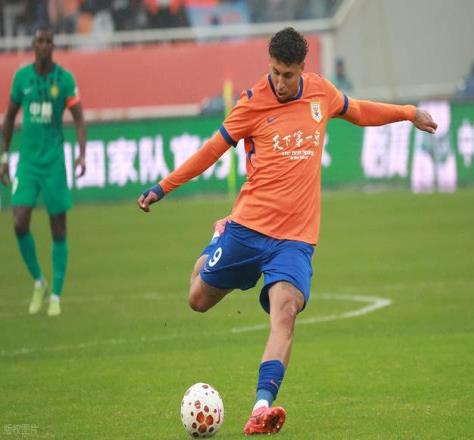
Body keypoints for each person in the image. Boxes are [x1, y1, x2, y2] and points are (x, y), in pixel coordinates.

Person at [138, 27, 437, 434]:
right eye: (275, 72)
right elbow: (210, 151)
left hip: (294, 240)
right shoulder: (250, 103)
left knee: (286, 313)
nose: (280, 82)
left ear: (302, 68)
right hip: (247, 229)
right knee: (197, 300)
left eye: (288, 75)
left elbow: (359, 111)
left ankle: (261, 407)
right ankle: (217, 237)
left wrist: (407, 112)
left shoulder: (321, 93)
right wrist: (162, 188)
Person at [0, 26, 87, 317]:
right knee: (19, 222)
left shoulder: (64, 79)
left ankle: (56, 296)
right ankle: (39, 281)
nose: (45, 45)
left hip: (53, 163)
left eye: (49, 41)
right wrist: (4, 156)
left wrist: (82, 154)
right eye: (40, 41)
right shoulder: (22, 78)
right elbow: (9, 117)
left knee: (58, 228)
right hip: (27, 163)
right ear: (33, 44)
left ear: (53, 45)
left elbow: (79, 119)